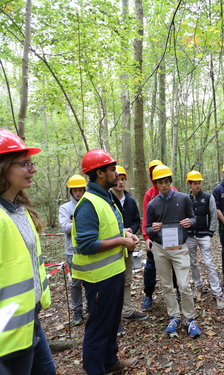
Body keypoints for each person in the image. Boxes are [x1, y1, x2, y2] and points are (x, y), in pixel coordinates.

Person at [72, 148, 139, 374]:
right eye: (112, 169)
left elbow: (107, 230)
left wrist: (125, 233)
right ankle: (95, 369)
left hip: (114, 272)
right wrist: (121, 240)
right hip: (99, 278)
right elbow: (86, 244)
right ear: (99, 173)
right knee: (99, 326)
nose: (116, 174)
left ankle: (110, 361)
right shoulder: (88, 204)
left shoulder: (106, 198)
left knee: (111, 323)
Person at [0, 129, 55, 375]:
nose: (33, 170)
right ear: (3, 167)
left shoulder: (20, 210)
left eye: (31, 164)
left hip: (30, 320)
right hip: (7, 332)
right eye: (25, 164)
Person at [146, 164, 201, 337]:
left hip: (179, 247)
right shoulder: (152, 203)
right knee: (166, 285)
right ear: (156, 184)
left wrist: (189, 222)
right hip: (160, 248)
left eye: (166, 181)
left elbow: (193, 218)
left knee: (184, 285)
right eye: (159, 182)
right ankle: (174, 316)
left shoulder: (183, 198)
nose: (163, 185)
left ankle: (190, 319)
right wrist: (152, 229)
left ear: (170, 181)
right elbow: (147, 228)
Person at [140, 159, 179, 312]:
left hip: (172, 237)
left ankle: (178, 292)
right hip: (155, 238)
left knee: (175, 265)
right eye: (153, 171)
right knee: (150, 268)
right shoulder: (149, 195)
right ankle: (148, 295)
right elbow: (146, 218)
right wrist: (146, 237)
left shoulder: (174, 192)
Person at [110, 166, 147, 325]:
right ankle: (113, 315)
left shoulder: (130, 200)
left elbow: (136, 220)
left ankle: (127, 310)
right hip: (110, 247)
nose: (120, 182)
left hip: (128, 246)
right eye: (117, 179)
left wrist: (132, 230)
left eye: (123, 179)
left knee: (127, 279)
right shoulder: (107, 199)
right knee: (112, 282)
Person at [185, 170, 224, 310]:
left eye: (198, 183)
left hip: (204, 235)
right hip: (190, 236)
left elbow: (213, 214)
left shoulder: (208, 197)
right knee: (193, 263)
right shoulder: (186, 199)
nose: (197, 185)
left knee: (209, 263)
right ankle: (198, 286)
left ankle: (217, 293)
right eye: (194, 183)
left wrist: (210, 232)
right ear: (190, 184)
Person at [59, 174, 87, 327]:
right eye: (75, 190)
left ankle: (91, 309)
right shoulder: (64, 208)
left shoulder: (89, 204)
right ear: (70, 191)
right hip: (72, 251)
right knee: (75, 283)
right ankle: (77, 311)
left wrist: (75, 223)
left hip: (88, 249)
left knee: (89, 281)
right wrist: (81, 223)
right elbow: (66, 227)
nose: (78, 193)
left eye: (80, 190)